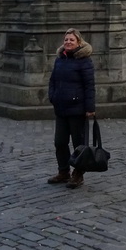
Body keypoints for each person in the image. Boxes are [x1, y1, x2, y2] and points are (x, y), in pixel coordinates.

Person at [47, 28, 96, 189]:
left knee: (78, 143)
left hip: (77, 108)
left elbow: (89, 86)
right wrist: (53, 96)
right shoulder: (60, 59)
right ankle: (63, 172)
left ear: (79, 42)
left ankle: (78, 174)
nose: (68, 42)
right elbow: (53, 80)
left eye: (71, 40)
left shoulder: (84, 61)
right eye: (66, 39)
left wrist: (89, 107)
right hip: (61, 107)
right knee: (59, 142)